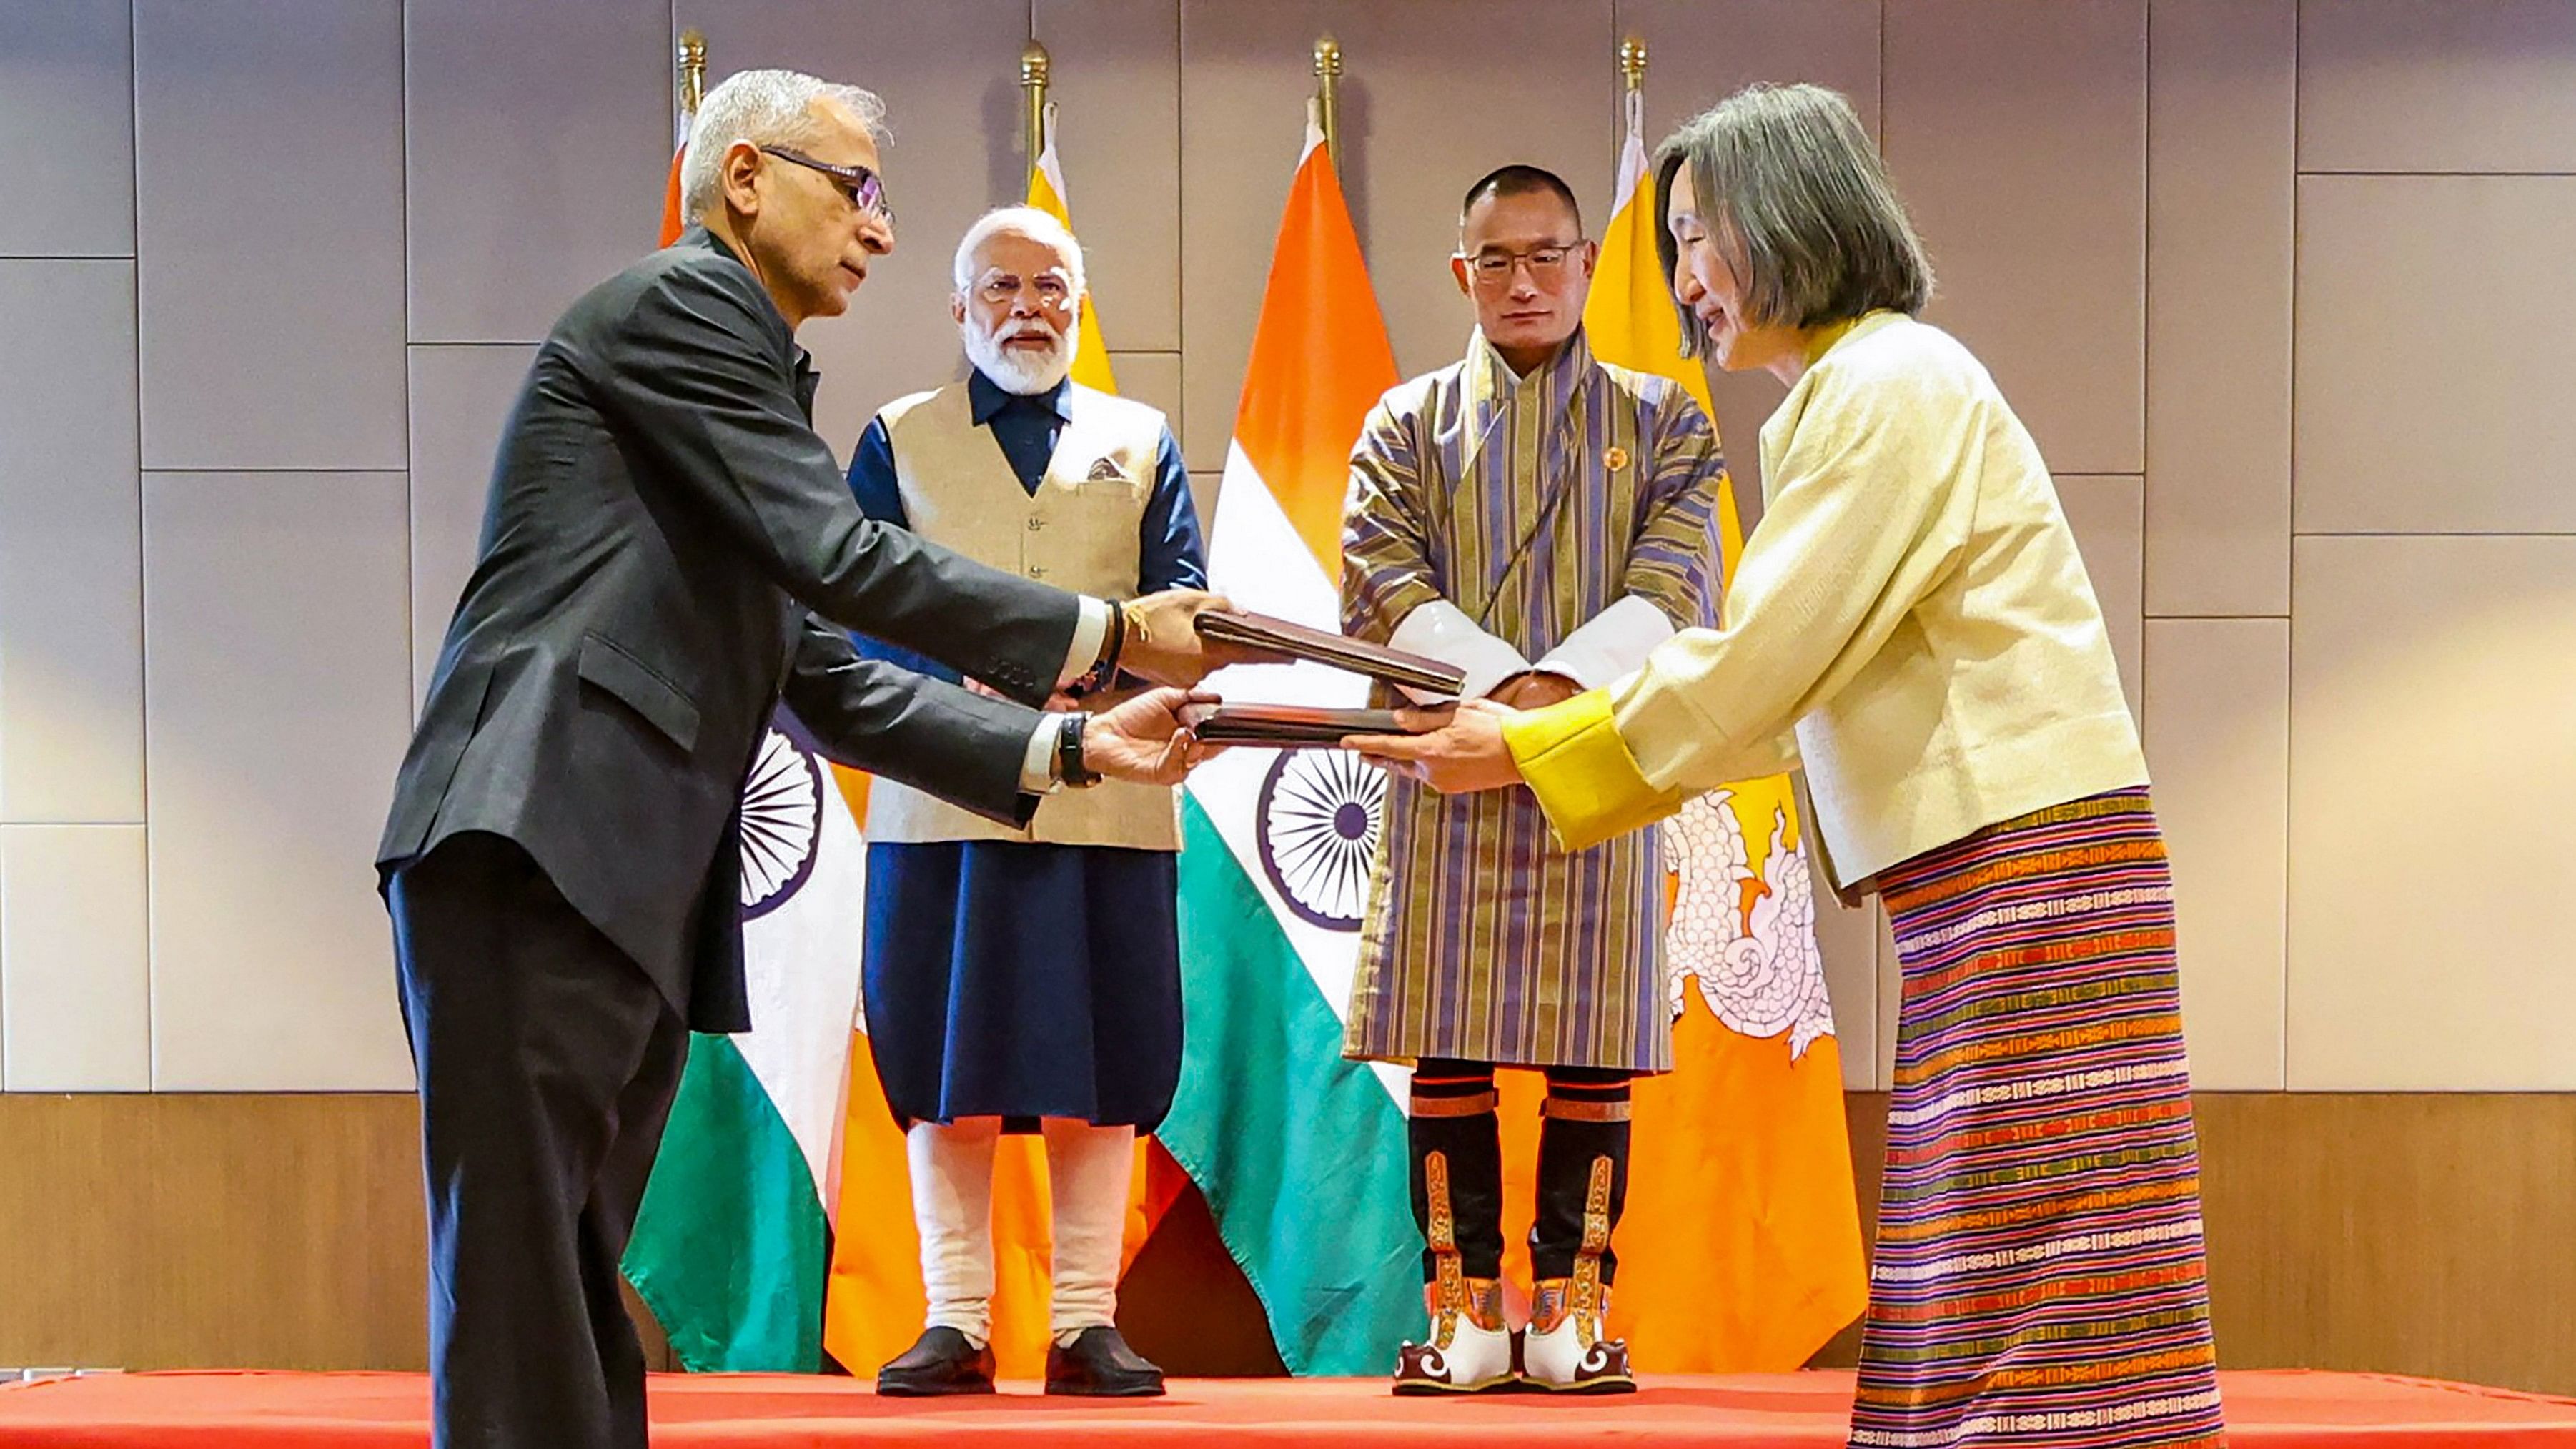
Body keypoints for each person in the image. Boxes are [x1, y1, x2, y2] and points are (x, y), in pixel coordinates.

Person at [377, 71, 1244, 1448]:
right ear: (743, 181)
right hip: (533, 836)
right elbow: (850, 563)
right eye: (859, 189)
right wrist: (1107, 628)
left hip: (610, 873)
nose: (882, 232)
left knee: (563, 1274)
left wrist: (1079, 746)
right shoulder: (682, 310)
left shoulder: (746, 375)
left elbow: (821, 674)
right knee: (520, 1281)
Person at [1351, 84, 2225, 1449]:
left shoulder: (1883, 383)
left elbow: (1760, 660)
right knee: (1997, 1242)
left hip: (2029, 866)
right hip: (1995, 872)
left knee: (2033, 1253)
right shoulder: (1861, 384)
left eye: (1695, 235)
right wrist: (1537, 741)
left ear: (1786, 215)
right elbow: (1779, 695)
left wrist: (1526, 743)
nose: (1685, 277)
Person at [1339, 165, 1727, 1394]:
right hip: (1448, 775)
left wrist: (1540, 714)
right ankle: (1460, 1314)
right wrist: (1514, 708)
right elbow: (1380, 588)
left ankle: (1568, 1313)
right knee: (1445, 1048)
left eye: (1547, 255)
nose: (1523, 282)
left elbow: (1676, 590)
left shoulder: (1666, 421)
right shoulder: (1403, 424)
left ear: (1585, 266)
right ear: (1462, 272)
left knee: (1589, 1051)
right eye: (1496, 260)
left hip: (1597, 776)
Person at [846, 206, 1204, 1399]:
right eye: (998, 286)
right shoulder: (896, 438)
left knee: (1098, 1058)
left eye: (1051, 284)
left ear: (1081, 303)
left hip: (1110, 799)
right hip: (940, 799)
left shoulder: (1140, 437)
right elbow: (849, 612)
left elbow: (1186, 617)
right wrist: (964, 678)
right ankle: (954, 1320)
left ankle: (1085, 1323)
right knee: (945, 1058)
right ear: (957, 309)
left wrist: (1092, 675)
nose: (1026, 306)